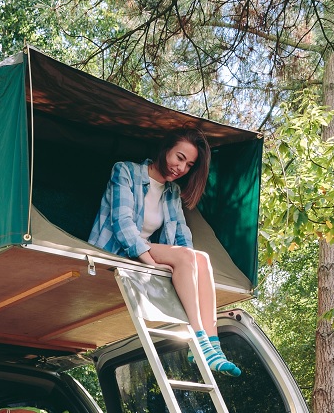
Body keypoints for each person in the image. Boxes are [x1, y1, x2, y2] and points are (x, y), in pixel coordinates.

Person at [88, 128, 240, 376]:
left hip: (139, 251)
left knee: (202, 258)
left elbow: (182, 236)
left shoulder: (172, 192)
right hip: (114, 249)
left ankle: (213, 344)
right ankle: (198, 337)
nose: (181, 168)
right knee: (187, 257)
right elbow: (122, 224)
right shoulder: (125, 171)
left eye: (189, 165)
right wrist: (151, 264)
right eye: (179, 158)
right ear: (165, 148)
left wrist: (189, 268)